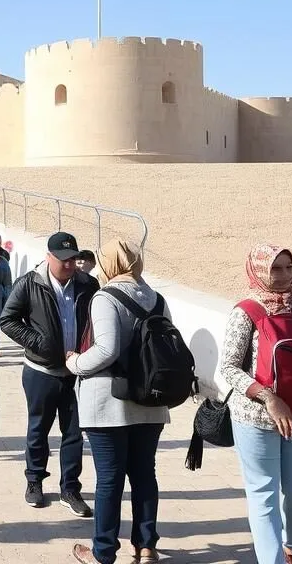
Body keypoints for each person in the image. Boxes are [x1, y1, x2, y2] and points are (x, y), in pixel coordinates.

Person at [220, 244, 292, 564]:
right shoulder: (246, 311)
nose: (283, 276)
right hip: (255, 417)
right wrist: (269, 398)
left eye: (288, 267)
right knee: (264, 495)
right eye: (275, 268)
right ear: (259, 270)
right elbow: (228, 367)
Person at [67, 241, 169, 564]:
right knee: (144, 475)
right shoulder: (158, 298)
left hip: (109, 404)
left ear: (109, 264)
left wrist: (75, 363)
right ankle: (146, 546)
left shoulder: (105, 297)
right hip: (150, 402)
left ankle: (103, 552)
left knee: (109, 478)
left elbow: (107, 350)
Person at [0, 231, 98, 516]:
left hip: (76, 373)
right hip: (40, 372)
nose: (69, 265)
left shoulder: (88, 285)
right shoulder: (30, 284)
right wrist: (38, 343)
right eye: (64, 260)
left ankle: (70, 489)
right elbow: (7, 320)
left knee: (74, 433)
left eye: (74, 260)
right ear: (49, 257)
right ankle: (34, 481)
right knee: (38, 430)